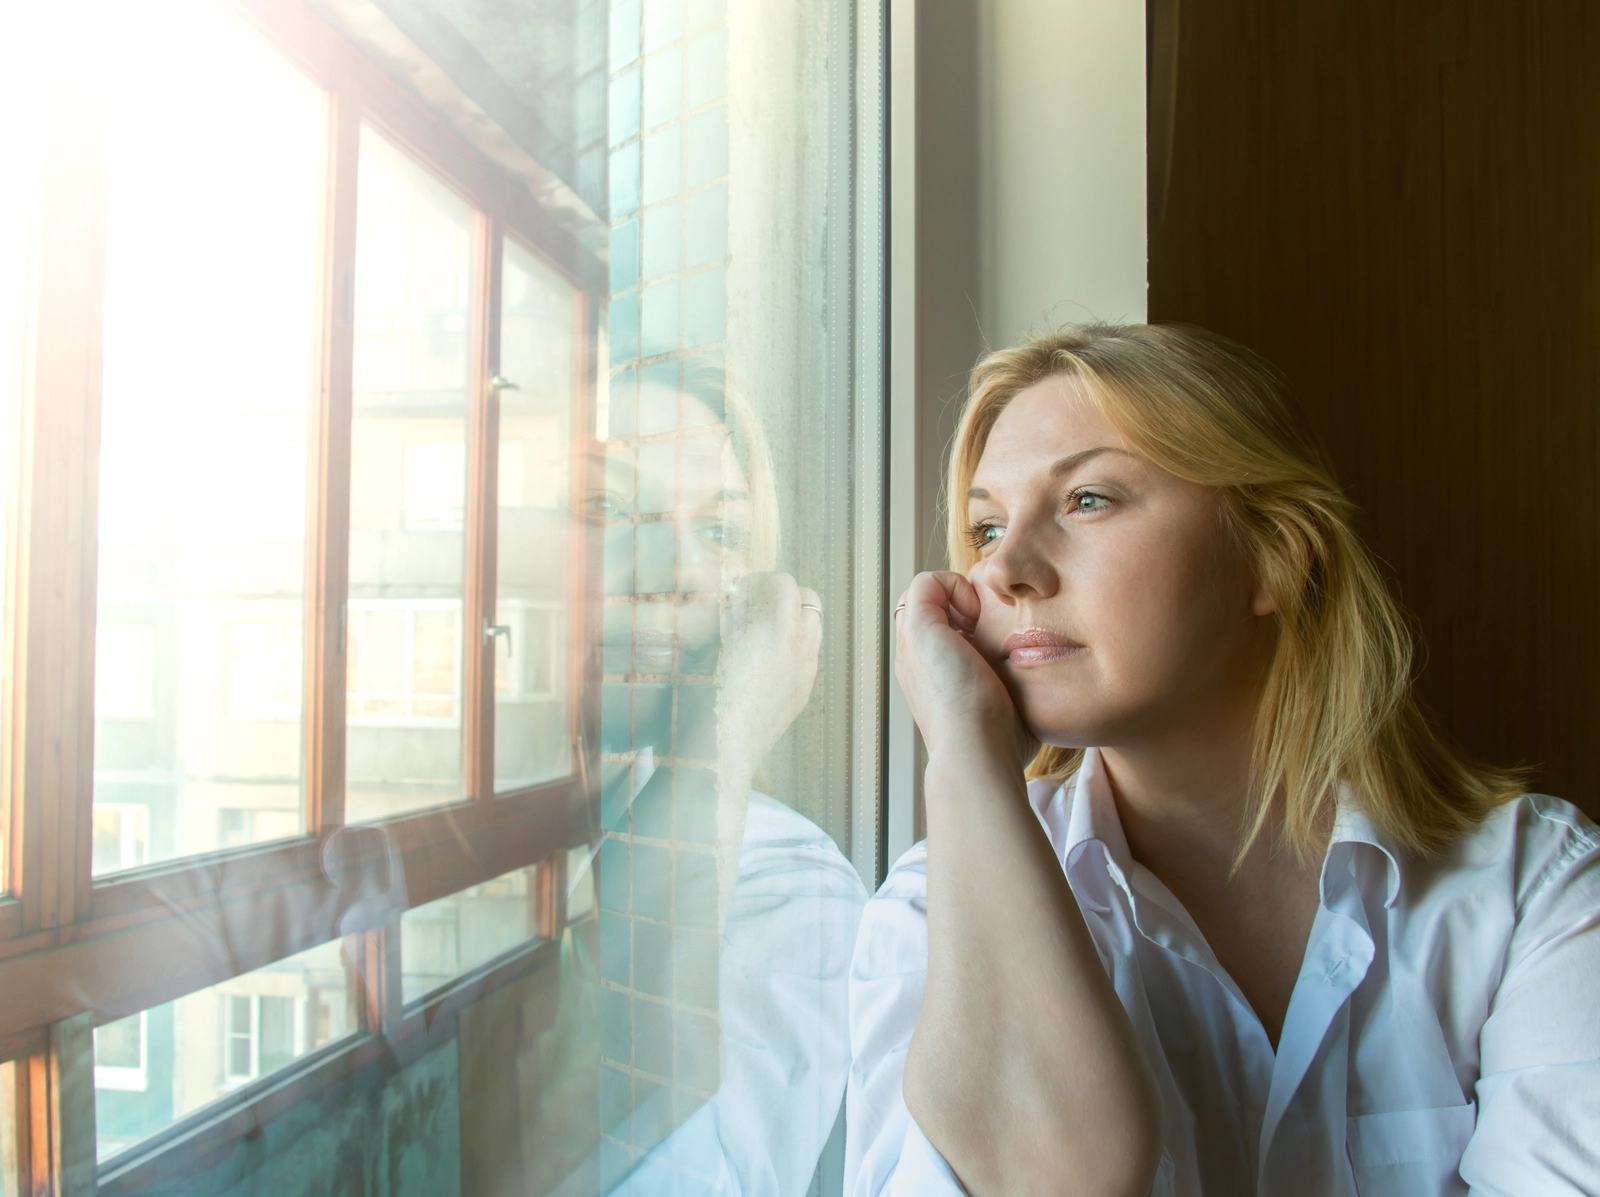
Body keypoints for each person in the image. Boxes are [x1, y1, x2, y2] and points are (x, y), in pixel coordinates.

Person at [845, 324, 1600, 1196]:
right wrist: (967, 759)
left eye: (1087, 499)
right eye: (984, 526)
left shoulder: (1533, 891)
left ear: (1275, 556)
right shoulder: (926, 918)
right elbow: (1049, 1179)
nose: (1006, 569)